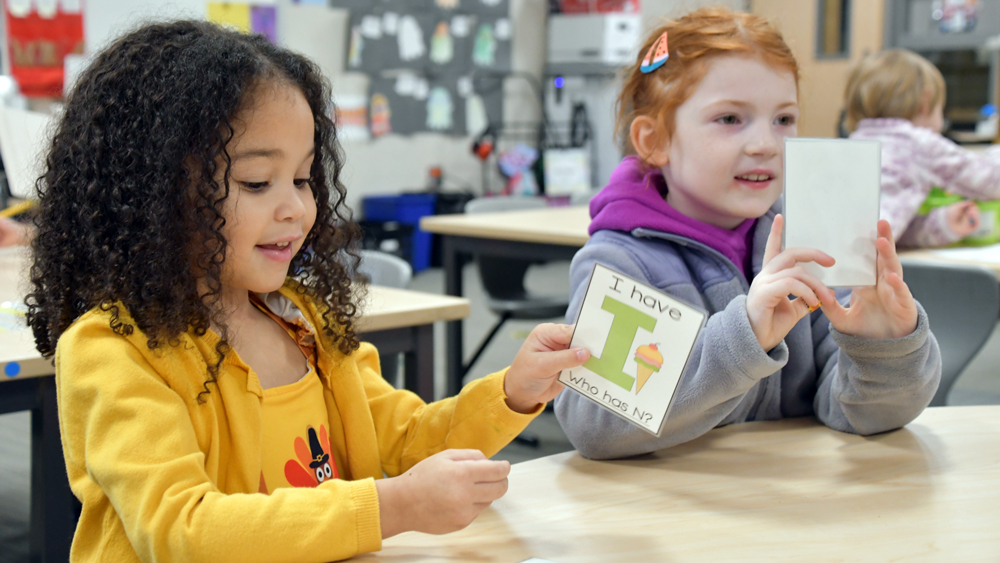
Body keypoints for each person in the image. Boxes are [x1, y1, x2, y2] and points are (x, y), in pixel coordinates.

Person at [26, 21, 589, 562]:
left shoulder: (302, 323)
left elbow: (409, 438)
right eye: (256, 183)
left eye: (302, 178)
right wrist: (392, 506)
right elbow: (183, 531)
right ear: (154, 193)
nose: (295, 207)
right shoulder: (114, 350)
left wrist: (513, 392)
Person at [554, 7, 941, 460]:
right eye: (730, 119)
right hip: (669, 518)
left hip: (784, 512)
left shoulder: (804, 241)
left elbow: (858, 415)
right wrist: (745, 337)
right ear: (654, 141)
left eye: (783, 119)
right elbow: (593, 424)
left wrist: (882, 352)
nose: (766, 144)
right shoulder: (623, 261)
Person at [845, 48, 1000, 248]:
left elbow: (888, 232)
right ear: (925, 104)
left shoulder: (852, 143)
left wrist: (942, 224)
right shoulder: (917, 144)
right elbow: (992, 181)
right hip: (863, 267)